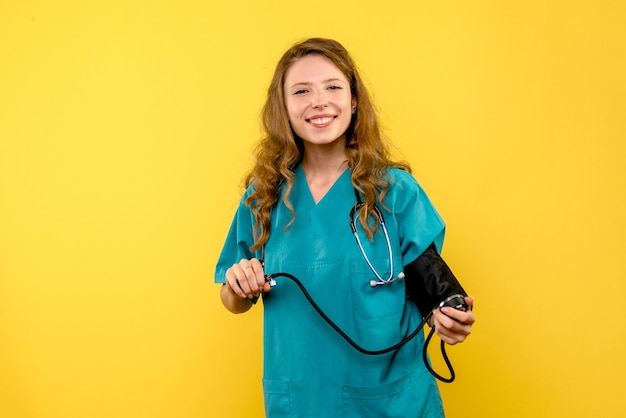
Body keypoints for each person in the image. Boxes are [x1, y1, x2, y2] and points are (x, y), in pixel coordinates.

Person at [215, 37, 476, 418]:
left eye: (333, 87)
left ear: (354, 101)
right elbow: (233, 299)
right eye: (302, 91)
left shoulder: (395, 190)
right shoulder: (264, 195)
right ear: (283, 108)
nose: (319, 101)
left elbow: (431, 286)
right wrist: (239, 283)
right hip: (301, 399)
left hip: (392, 401)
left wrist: (447, 319)